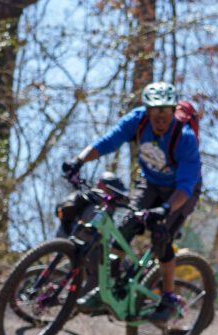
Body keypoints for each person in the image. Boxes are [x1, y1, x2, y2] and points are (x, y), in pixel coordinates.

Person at [65, 81, 202, 321]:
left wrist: (165, 209)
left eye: (166, 113)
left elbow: (186, 186)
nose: (160, 119)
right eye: (155, 113)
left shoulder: (185, 138)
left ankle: (169, 298)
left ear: (172, 111)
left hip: (179, 193)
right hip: (149, 183)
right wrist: (79, 160)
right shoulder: (138, 121)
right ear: (147, 111)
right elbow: (109, 141)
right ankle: (109, 289)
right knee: (125, 226)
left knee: (161, 234)